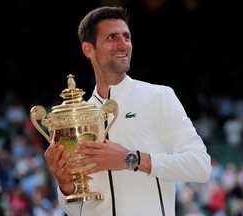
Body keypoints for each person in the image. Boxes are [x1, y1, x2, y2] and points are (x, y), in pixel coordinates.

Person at [44, 6, 212, 216]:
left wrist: (132, 159)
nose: (123, 44)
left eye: (126, 36)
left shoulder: (159, 97)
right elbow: (78, 209)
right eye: (112, 37)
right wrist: (66, 186)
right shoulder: (79, 117)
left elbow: (200, 166)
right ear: (88, 49)